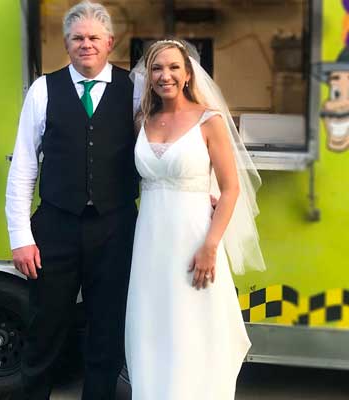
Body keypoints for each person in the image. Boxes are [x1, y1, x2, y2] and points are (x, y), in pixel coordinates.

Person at [4, 1, 139, 399]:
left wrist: (211, 189)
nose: (86, 45)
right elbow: (25, 165)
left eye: (94, 38)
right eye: (78, 38)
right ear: (66, 43)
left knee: (107, 329)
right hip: (56, 227)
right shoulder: (44, 89)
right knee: (45, 327)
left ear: (110, 42)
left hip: (115, 228)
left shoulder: (136, 89)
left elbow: (164, 146)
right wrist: (20, 235)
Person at [125, 39, 266, 400]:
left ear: (188, 74)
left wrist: (210, 246)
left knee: (193, 328)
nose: (164, 75)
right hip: (150, 240)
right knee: (152, 327)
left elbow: (231, 188)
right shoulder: (143, 120)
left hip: (194, 239)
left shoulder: (209, 120)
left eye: (173, 67)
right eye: (157, 68)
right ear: (148, 75)